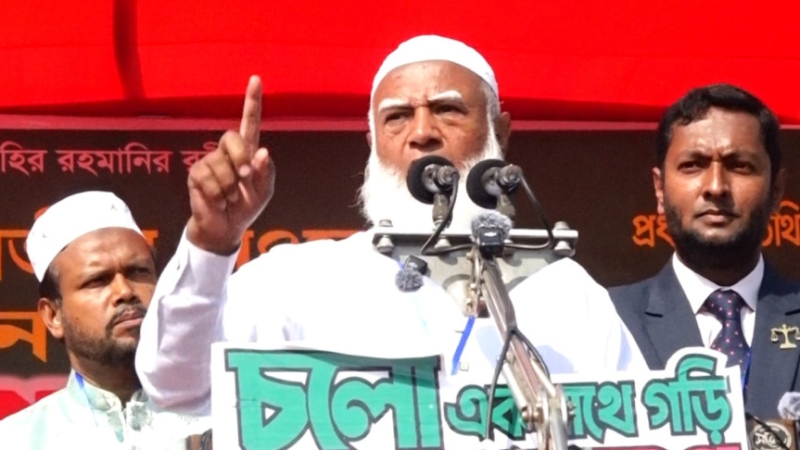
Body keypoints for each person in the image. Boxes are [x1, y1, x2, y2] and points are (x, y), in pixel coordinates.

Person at [136, 35, 644, 445]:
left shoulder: (562, 289)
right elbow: (177, 387)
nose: (421, 133)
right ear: (373, 142)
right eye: (397, 116)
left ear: (500, 131)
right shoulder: (299, 280)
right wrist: (211, 243)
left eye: (447, 110)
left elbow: (637, 431)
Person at [609, 84, 800, 419]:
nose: (715, 187)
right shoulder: (609, 321)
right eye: (693, 165)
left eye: (740, 165)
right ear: (659, 189)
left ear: (776, 190)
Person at [0, 191, 210, 449]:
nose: (125, 291)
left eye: (138, 272)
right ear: (53, 316)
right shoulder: (16, 440)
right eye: (97, 281)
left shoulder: (221, 422)